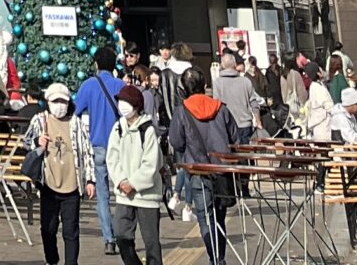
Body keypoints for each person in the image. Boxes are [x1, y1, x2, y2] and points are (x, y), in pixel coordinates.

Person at [167, 73, 235, 265]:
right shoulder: (221, 108)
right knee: (219, 218)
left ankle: (215, 258)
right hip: (221, 170)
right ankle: (220, 258)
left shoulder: (181, 111)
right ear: (204, 85)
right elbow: (235, 138)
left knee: (205, 218)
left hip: (197, 170)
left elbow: (176, 142)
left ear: (184, 88)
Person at [25, 81, 95, 265]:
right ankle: (52, 259)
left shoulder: (76, 123)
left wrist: (90, 180)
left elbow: (87, 152)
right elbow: (26, 142)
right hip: (48, 183)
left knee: (71, 231)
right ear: (48, 101)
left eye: (63, 101)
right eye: (55, 101)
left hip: (72, 185)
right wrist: (37, 142)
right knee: (48, 228)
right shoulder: (40, 120)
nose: (60, 105)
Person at [73, 43, 127, 254]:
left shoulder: (88, 85)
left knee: (102, 195)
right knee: (123, 191)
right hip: (119, 146)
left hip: (97, 146)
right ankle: (124, 234)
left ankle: (109, 239)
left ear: (96, 64)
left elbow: (75, 112)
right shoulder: (120, 86)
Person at [106, 82, 165, 265]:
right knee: (121, 235)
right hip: (124, 195)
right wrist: (121, 181)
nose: (122, 105)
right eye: (120, 101)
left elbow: (151, 164)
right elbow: (112, 158)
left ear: (137, 106)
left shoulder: (148, 130)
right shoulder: (118, 128)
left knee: (151, 243)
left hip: (147, 196)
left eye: (127, 102)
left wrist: (133, 183)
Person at [211, 51, 264, 140]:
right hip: (245, 125)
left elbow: (216, 105)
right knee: (246, 149)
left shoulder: (217, 83)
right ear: (235, 64)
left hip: (227, 126)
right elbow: (254, 103)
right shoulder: (245, 81)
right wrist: (258, 122)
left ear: (222, 65)